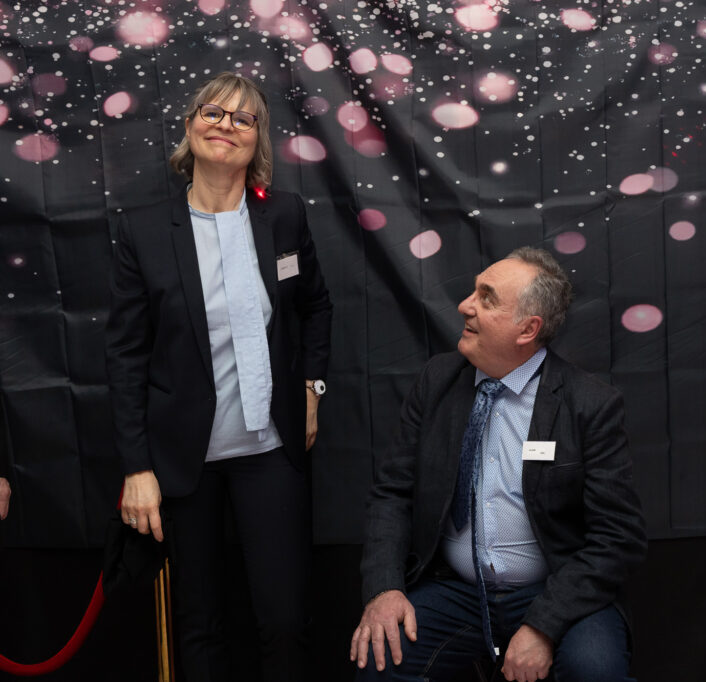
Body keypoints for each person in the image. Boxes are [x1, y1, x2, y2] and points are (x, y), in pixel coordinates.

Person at [105, 72, 332, 681]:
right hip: (182, 463)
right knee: (199, 623)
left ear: (258, 140)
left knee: (285, 621)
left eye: (243, 118)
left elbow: (316, 307)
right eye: (213, 112)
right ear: (190, 126)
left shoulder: (284, 216)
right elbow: (125, 356)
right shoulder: (145, 230)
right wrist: (136, 468)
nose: (225, 125)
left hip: (270, 450)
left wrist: (312, 389)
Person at [350, 247, 646, 682]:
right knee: (379, 660)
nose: (464, 305)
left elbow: (617, 537)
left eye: (486, 298)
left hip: (557, 590)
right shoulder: (437, 382)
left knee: (594, 671)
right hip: (457, 592)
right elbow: (392, 494)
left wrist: (543, 625)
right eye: (474, 292)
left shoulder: (588, 404)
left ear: (528, 329)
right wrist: (384, 588)